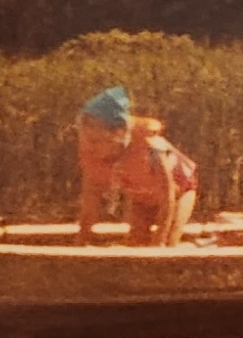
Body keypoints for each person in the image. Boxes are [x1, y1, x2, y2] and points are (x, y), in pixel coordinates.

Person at [76, 86, 198, 246]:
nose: (91, 147)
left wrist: (159, 242)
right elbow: (89, 206)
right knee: (136, 243)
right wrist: (82, 242)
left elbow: (168, 197)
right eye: (87, 140)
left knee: (168, 243)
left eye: (96, 141)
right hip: (142, 197)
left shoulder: (150, 147)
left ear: (118, 134)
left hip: (179, 192)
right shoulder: (91, 156)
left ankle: (188, 248)